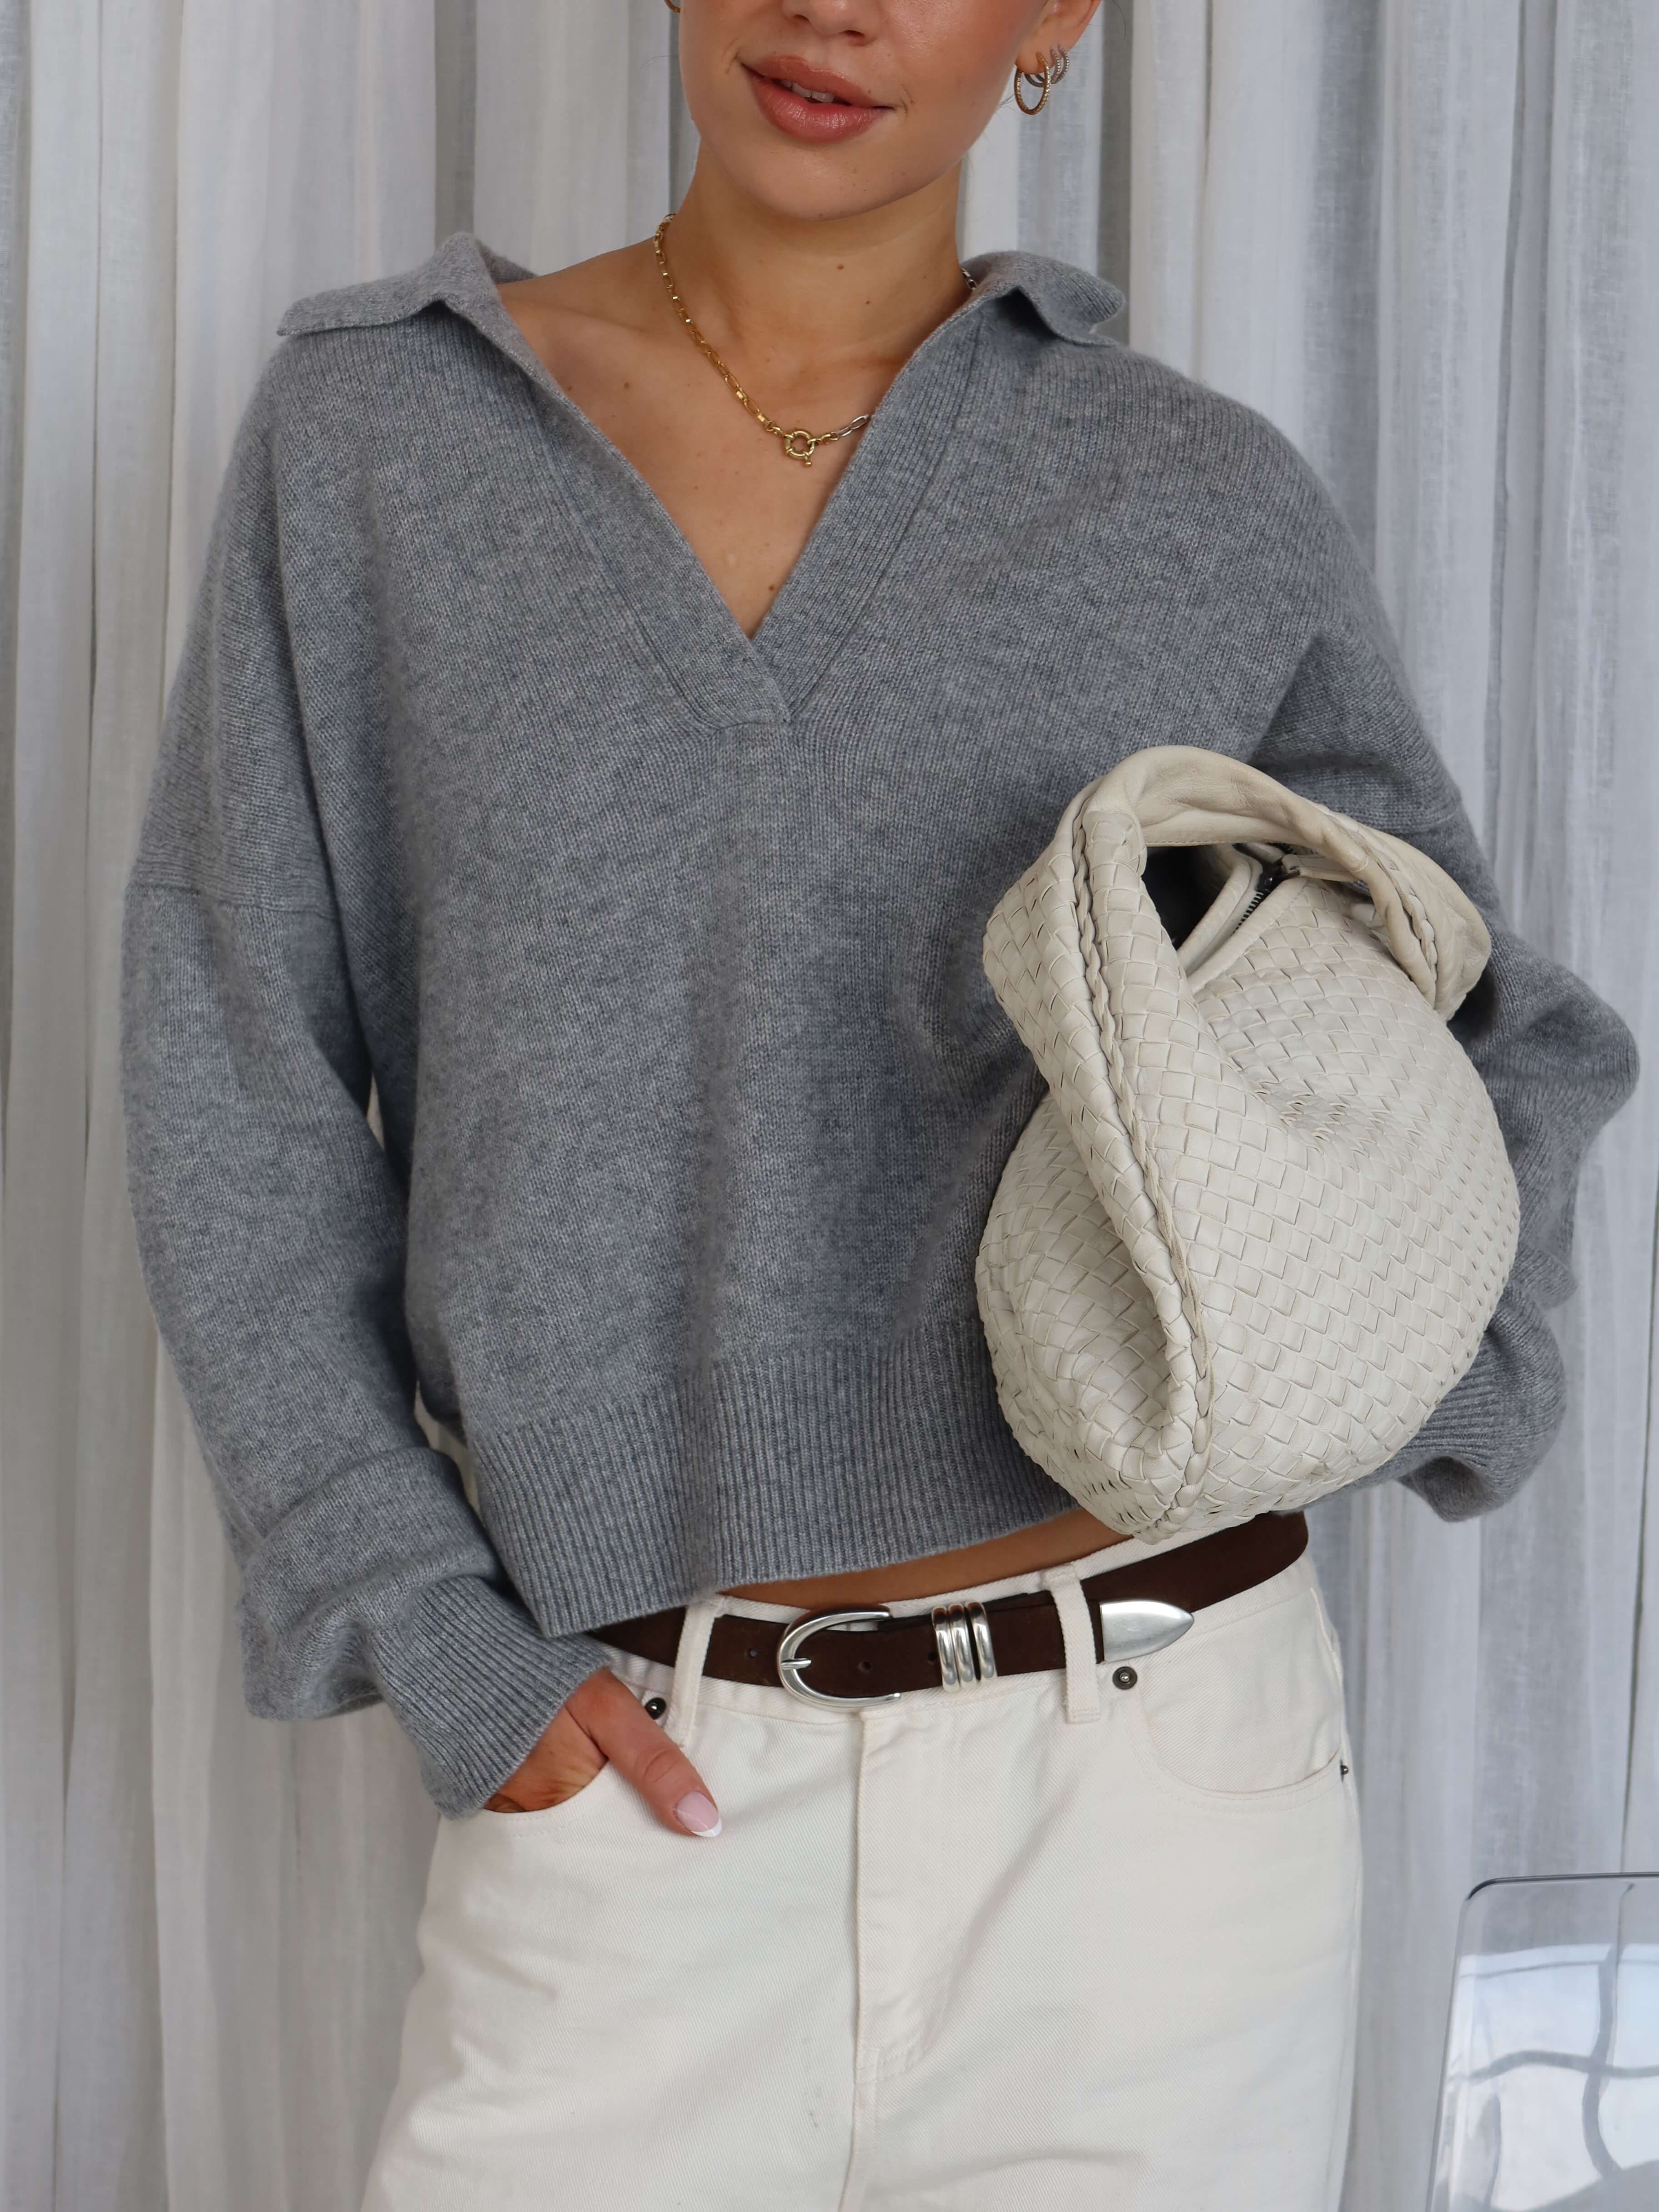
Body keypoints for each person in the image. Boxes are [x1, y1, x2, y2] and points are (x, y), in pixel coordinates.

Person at [117, 2, 1638, 2207]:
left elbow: (1496, 1025)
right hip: (635, 1804)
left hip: (1154, 1824)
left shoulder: (1189, 496)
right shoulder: (380, 440)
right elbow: (232, 1064)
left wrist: (1424, 1369)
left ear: (1055, 16)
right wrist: (427, 1628)